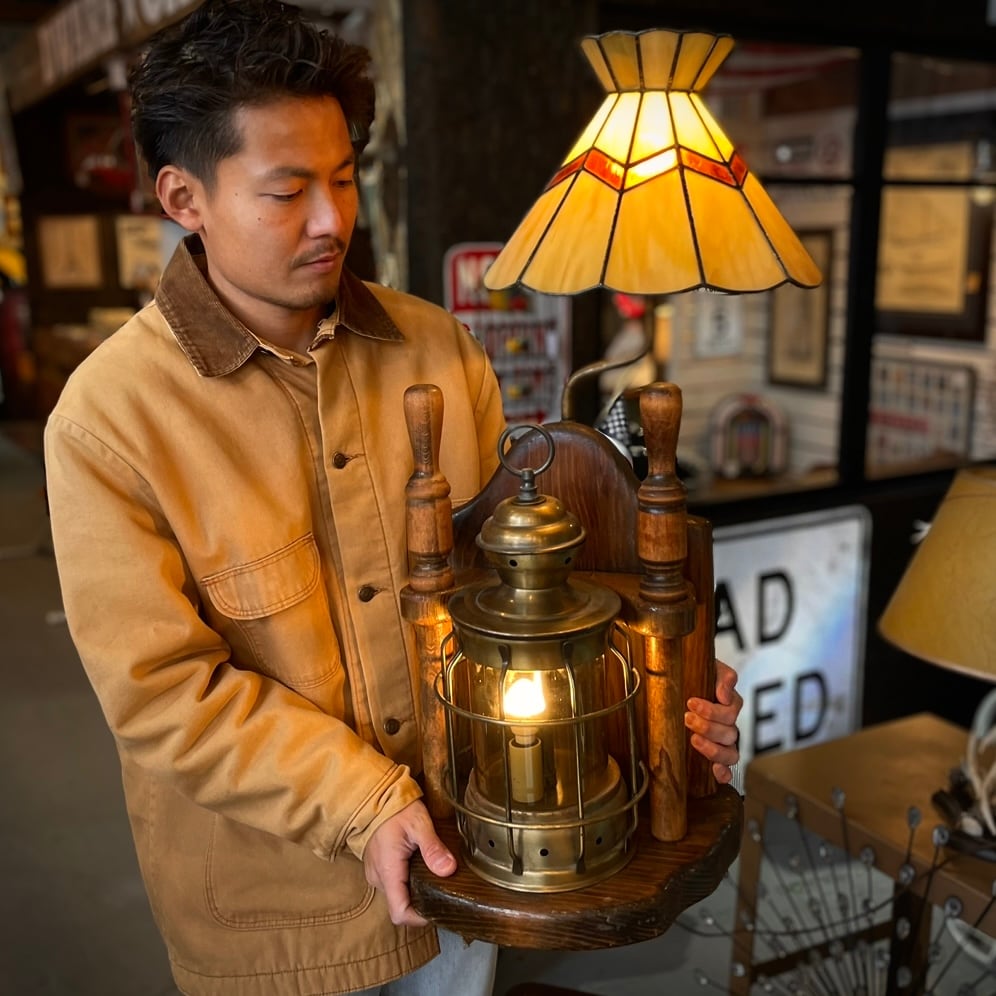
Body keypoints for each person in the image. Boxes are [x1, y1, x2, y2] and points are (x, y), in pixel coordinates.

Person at [43, 2, 743, 994]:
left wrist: (658, 688)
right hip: (281, 923)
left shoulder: (437, 350)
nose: (334, 220)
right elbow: (161, 694)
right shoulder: (109, 418)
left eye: (343, 178)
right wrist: (362, 799)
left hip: (466, 869)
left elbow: (515, 595)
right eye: (287, 190)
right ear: (183, 197)